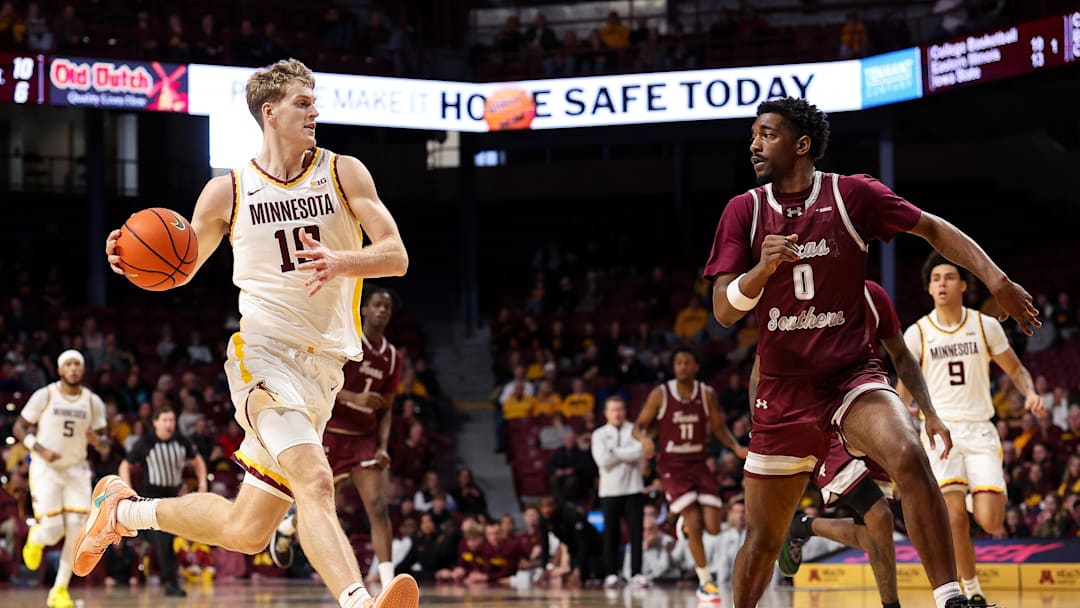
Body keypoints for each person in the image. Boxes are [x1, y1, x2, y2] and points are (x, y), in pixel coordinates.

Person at [87, 58, 417, 608]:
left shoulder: (344, 172)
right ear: (270, 111)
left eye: (314, 102)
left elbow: (396, 255)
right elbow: (179, 265)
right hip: (262, 357)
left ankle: (122, 512)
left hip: (325, 371)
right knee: (314, 477)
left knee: (247, 530)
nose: (316, 111)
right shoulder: (227, 192)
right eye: (303, 103)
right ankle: (360, 601)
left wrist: (341, 261)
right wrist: (129, 257)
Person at [705, 96, 1039, 608]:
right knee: (763, 539)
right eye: (753, 134)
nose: (754, 144)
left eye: (766, 134)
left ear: (801, 144)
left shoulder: (851, 195)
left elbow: (934, 228)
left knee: (907, 451)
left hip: (849, 378)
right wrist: (759, 272)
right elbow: (724, 311)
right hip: (783, 391)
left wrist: (998, 280)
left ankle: (950, 597)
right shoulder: (743, 211)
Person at [769, 280, 952, 608]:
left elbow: (900, 354)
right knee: (879, 518)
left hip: (863, 403)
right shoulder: (794, 296)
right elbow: (763, 370)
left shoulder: (870, 293)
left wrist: (929, 413)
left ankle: (803, 526)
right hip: (818, 418)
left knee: (874, 532)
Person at [896, 253, 1045, 605]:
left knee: (990, 521)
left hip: (980, 431)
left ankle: (968, 498)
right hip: (940, 433)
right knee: (953, 520)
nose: (942, 283)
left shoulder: (985, 325)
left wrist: (1031, 392)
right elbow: (901, 393)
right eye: (936, 279)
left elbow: (1016, 369)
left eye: (949, 277)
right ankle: (972, 592)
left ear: (964, 286)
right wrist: (902, 425)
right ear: (929, 289)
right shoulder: (917, 333)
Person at [270, 287, 403, 591]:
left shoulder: (393, 358)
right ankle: (288, 526)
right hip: (332, 432)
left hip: (365, 439)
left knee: (379, 507)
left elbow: (388, 409)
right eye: (377, 305)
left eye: (388, 306)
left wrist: (383, 447)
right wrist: (355, 396)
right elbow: (321, 382)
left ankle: (387, 584)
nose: (383, 310)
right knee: (321, 506)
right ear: (364, 310)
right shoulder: (346, 342)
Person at [632, 346, 748, 603]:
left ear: (696, 366)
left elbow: (719, 428)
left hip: (698, 464)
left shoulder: (706, 394)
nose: (682, 367)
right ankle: (705, 581)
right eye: (678, 363)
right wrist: (645, 440)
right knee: (695, 522)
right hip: (673, 466)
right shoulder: (661, 394)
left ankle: (685, 528)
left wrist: (735, 446)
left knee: (714, 526)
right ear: (674, 368)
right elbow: (638, 426)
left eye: (687, 362)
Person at [13, 349, 109, 608]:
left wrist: (97, 441)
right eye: (68, 364)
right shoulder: (45, 395)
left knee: (78, 531)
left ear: (83, 369)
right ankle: (36, 537)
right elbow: (19, 427)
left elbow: (104, 442)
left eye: (77, 364)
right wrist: (40, 449)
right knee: (53, 530)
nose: (74, 368)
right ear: (59, 370)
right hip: (47, 469)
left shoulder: (92, 402)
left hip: (77, 470)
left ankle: (59, 590)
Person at [119, 405, 208, 597]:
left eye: (172, 420)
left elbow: (198, 461)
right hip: (151, 500)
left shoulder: (181, 441)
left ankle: (173, 580)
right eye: (165, 420)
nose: (169, 424)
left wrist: (202, 484)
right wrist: (128, 490)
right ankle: (171, 583)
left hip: (174, 499)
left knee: (172, 540)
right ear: (155, 422)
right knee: (163, 539)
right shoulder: (147, 442)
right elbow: (124, 465)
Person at [591, 395, 646, 589]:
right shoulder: (598, 434)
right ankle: (611, 573)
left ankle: (637, 573)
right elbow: (602, 460)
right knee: (610, 534)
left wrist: (614, 452)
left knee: (636, 533)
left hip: (633, 488)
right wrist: (625, 453)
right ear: (606, 413)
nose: (617, 413)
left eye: (620, 409)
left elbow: (640, 452)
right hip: (609, 491)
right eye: (613, 409)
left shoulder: (635, 430)